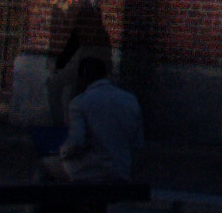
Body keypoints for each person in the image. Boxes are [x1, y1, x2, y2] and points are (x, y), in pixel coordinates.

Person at [40, 49, 144, 185]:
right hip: (121, 170)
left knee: (44, 166)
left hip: (90, 171)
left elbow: (76, 141)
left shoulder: (80, 103)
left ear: (83, 78)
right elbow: (138, 142)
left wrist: (62, 152)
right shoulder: (130, 100)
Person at [44, 0, 110, 138]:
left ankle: (74, 130)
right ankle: (61, 127)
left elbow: (82, 35)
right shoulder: (60, 4)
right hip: (64, 55)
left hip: (79, 57)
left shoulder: (87, 5)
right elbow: (56, 32)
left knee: (73, 94)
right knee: (55, 89)